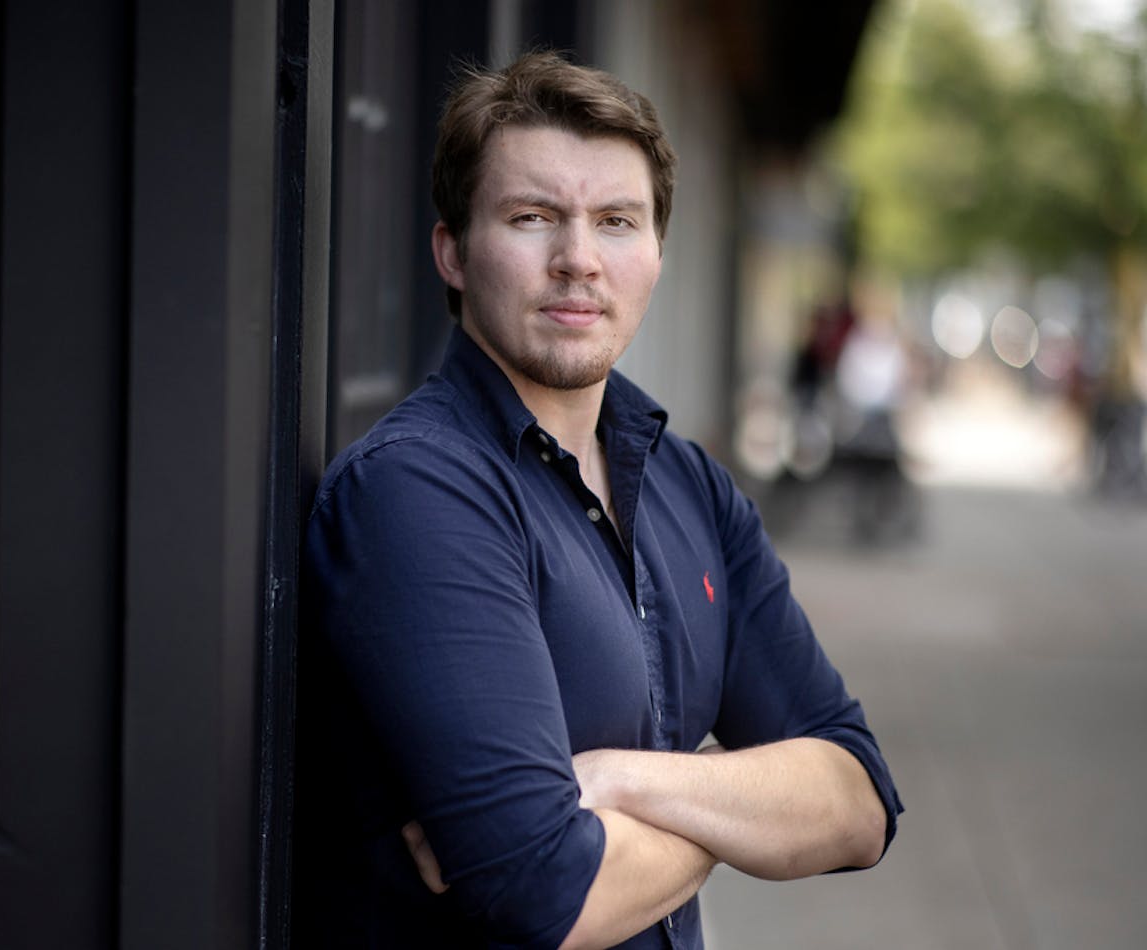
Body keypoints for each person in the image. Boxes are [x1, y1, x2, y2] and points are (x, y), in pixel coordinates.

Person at [294, 51, 903, 949]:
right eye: (533, 217)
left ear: (656, 252)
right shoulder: (416, 492)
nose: (578, 259)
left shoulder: (689, 484)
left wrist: (618, 780)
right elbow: (547, 893)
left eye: (617, 220)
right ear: (452, 252)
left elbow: (859, 800)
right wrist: (735, 813)